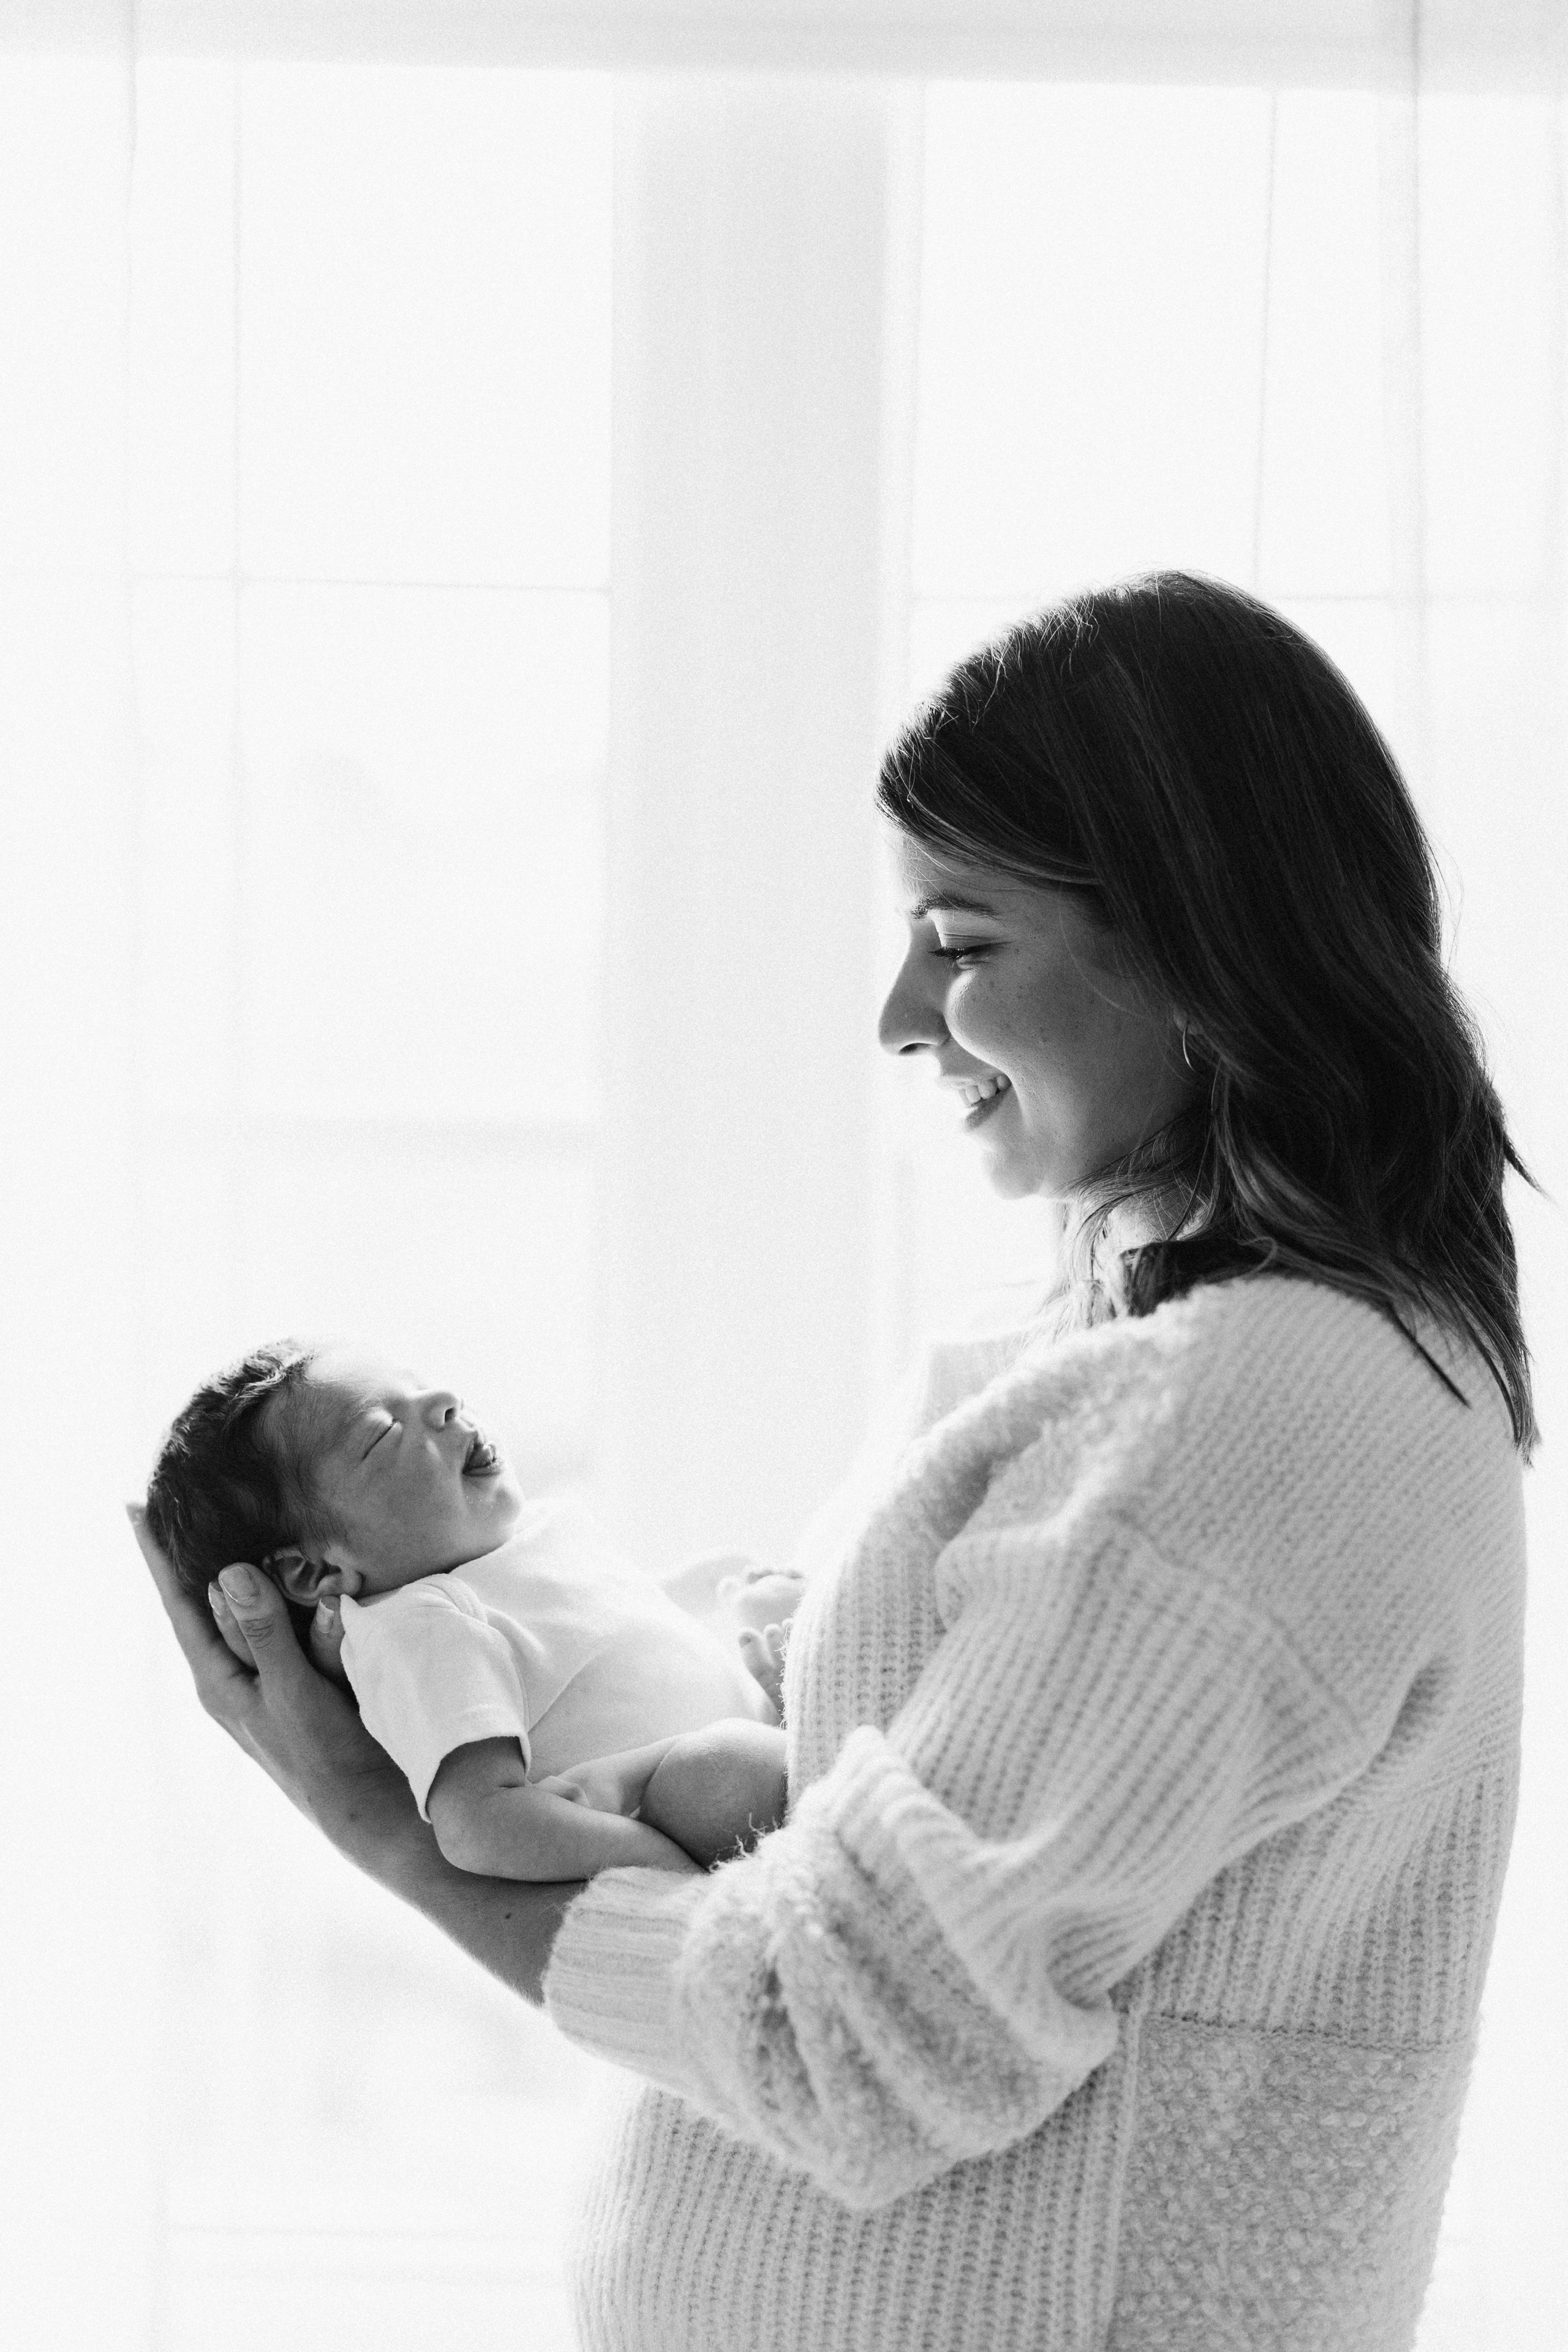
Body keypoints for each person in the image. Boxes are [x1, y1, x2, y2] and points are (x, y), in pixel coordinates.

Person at [133, 571, 1533, 2351]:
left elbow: (849, 2033)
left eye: (958, 939)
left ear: (1201, 947)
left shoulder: (1248, 1412)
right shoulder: (1214, 1372)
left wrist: (378, 1831)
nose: (893, 1010)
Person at [143, 1338, 788, 1877]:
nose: (445, 1403)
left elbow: (595, 1645)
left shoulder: (509, 1550)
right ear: (315, 1570)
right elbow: (477, 1822)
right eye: (384, 1430)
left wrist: (703, 1593)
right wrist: (655, 1864)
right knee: (722, 1766)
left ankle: (789, 1722)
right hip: (697, 1802)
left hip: (749, 1758)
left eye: (421, 1386)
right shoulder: (421, 1626)